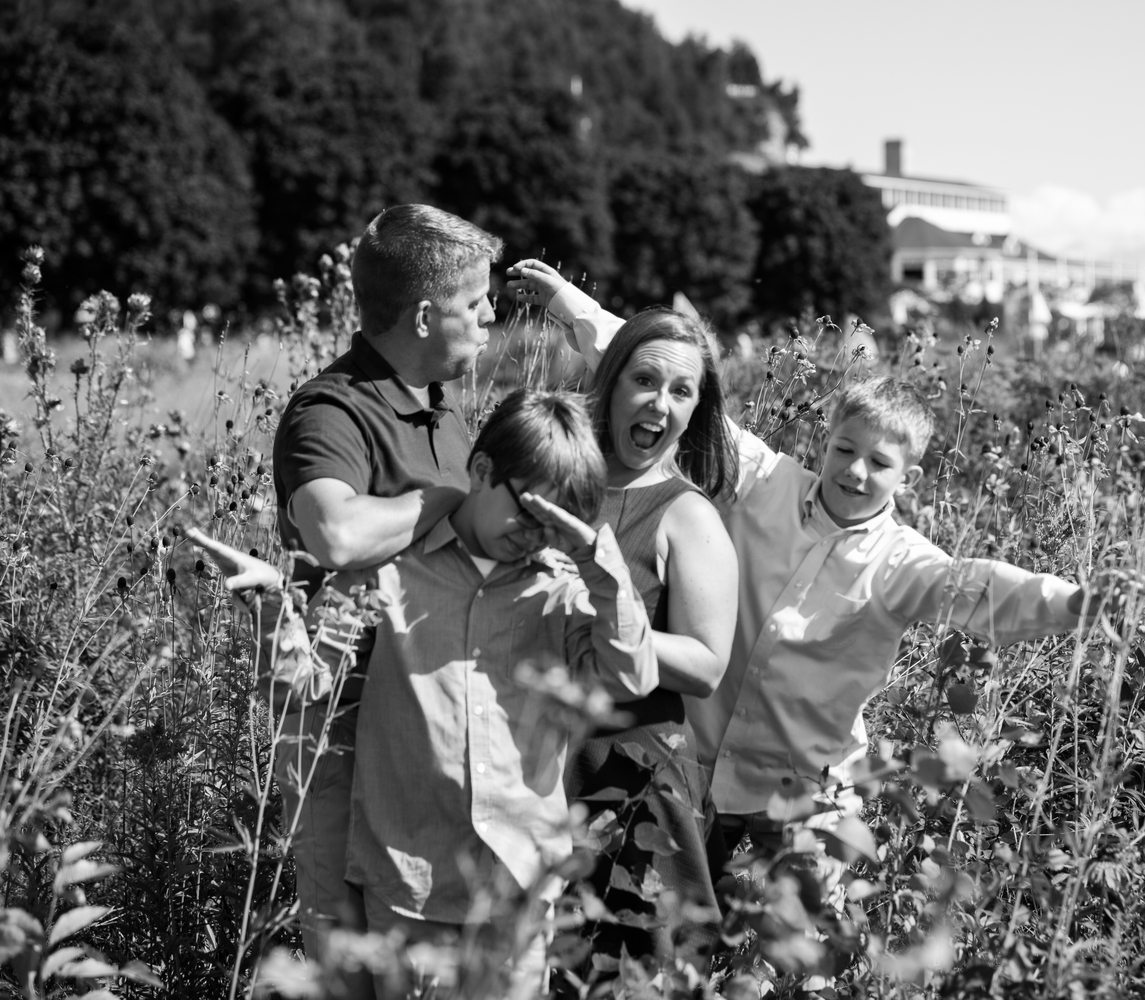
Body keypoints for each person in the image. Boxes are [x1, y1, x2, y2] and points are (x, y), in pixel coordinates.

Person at [509, 262, 1104, 871]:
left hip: (808, 789)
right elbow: (677, 386)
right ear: (824, 441)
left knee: (806, 946)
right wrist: (573, 306)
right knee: (682, 918)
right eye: (844, 450)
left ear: (910, 479)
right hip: (698, 760)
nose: (854, 471)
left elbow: (978, 588)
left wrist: (1070, 603)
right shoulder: (763, 480)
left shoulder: (902, 563)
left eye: (879, 463)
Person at [194, 388, 658, 1000]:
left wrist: (600, 566)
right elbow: (307, 693)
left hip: (517, 888)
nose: (537, 537)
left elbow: (632, 679)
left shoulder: (564, 589)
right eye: (530, 512)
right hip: (412, 887)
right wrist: (271, 607)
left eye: (554, 525)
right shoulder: (388, 570)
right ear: (483, 470)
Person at [270, 204, 500, 971]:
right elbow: (332, 533)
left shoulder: (446, 414)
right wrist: (443, 499)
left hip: (428, 739)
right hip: (342, 727)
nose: (492, 315)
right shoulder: (333, 408)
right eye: (477, 303)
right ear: (428, 315)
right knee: (347, 960)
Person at [512, 272, 739, 982]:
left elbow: (706, 662)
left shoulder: (686, 515)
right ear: (609, 384)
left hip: (629, 779)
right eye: (644, 381)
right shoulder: (558, 482)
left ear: (698, 410)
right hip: (535, 759)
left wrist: (608, 612)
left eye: (681, 392)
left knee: (624, 975)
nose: (659, 404)